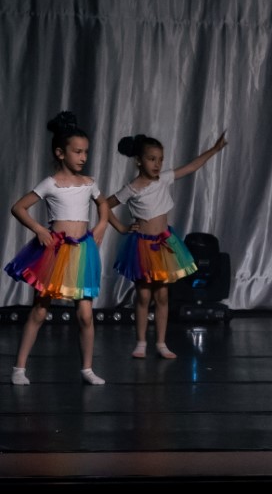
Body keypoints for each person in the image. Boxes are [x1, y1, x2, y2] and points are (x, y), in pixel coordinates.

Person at [5, 112, 110, 385]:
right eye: (77, 151)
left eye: (86, 152)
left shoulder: (89, 182)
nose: (83, 157)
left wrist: (101, 226)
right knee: (40, 310)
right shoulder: (51, 183)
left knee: (85, 314)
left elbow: (104, 204)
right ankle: (19, 368)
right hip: (56, 252)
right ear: (60, 153)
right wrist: (40, 230)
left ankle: (87, 369)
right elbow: (19, 207)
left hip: (82, 253)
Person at [106, 131, 228, 359]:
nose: (157, 164)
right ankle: (141, 342)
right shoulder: (132, 187)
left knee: (162, 296)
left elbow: (192, 167)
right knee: (144, 296)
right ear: (139, 161)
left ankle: (161, 343)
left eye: (160, 159)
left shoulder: (163, 179)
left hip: (164, 245)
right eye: (152, 159)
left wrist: (214, 149)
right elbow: (104, 204)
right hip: (143, 247)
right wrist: (121, 227)